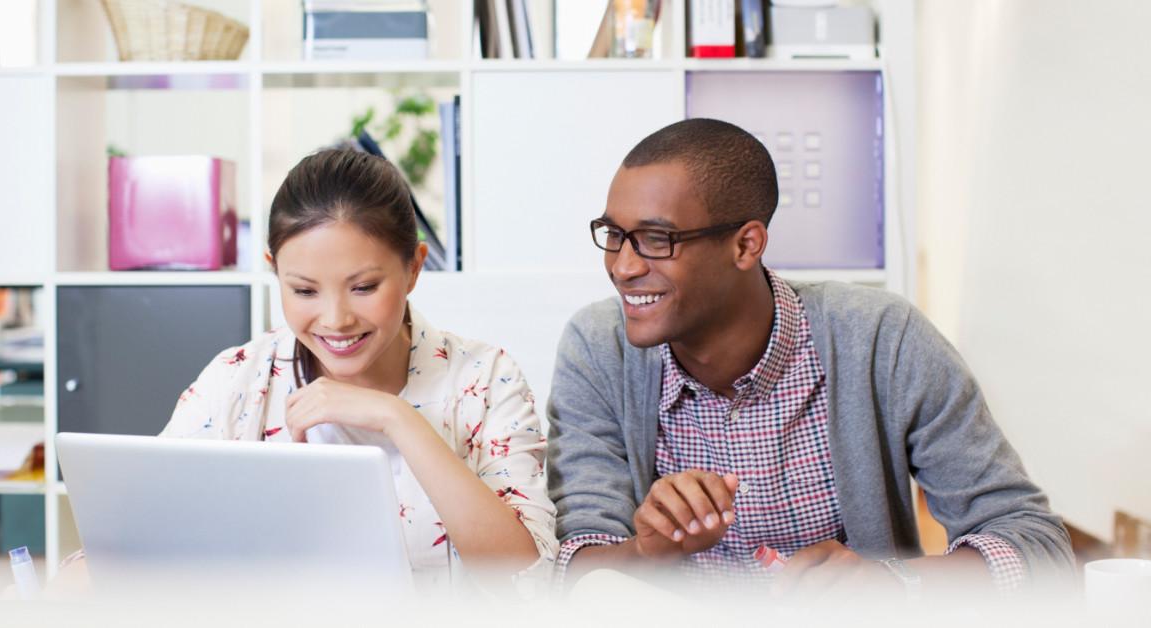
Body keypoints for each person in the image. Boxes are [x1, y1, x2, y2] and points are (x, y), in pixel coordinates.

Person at [547, 119, 1073, 598]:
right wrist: (647, 550)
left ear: (746, 245)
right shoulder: (598, 350)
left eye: (656, 239)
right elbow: (574, 566)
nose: (622, 266)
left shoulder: (881, 339)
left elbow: (1036, 544)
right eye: (614, 235)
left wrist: (886, 582)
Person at [162, 149, 557, 588]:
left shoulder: (484, 379)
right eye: (304, 290)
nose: (335, 319)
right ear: (275, 272)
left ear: (414, 268)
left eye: (364, 287)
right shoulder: (235, 379)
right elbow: (136, 540)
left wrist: (397, 418)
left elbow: (527, 582)